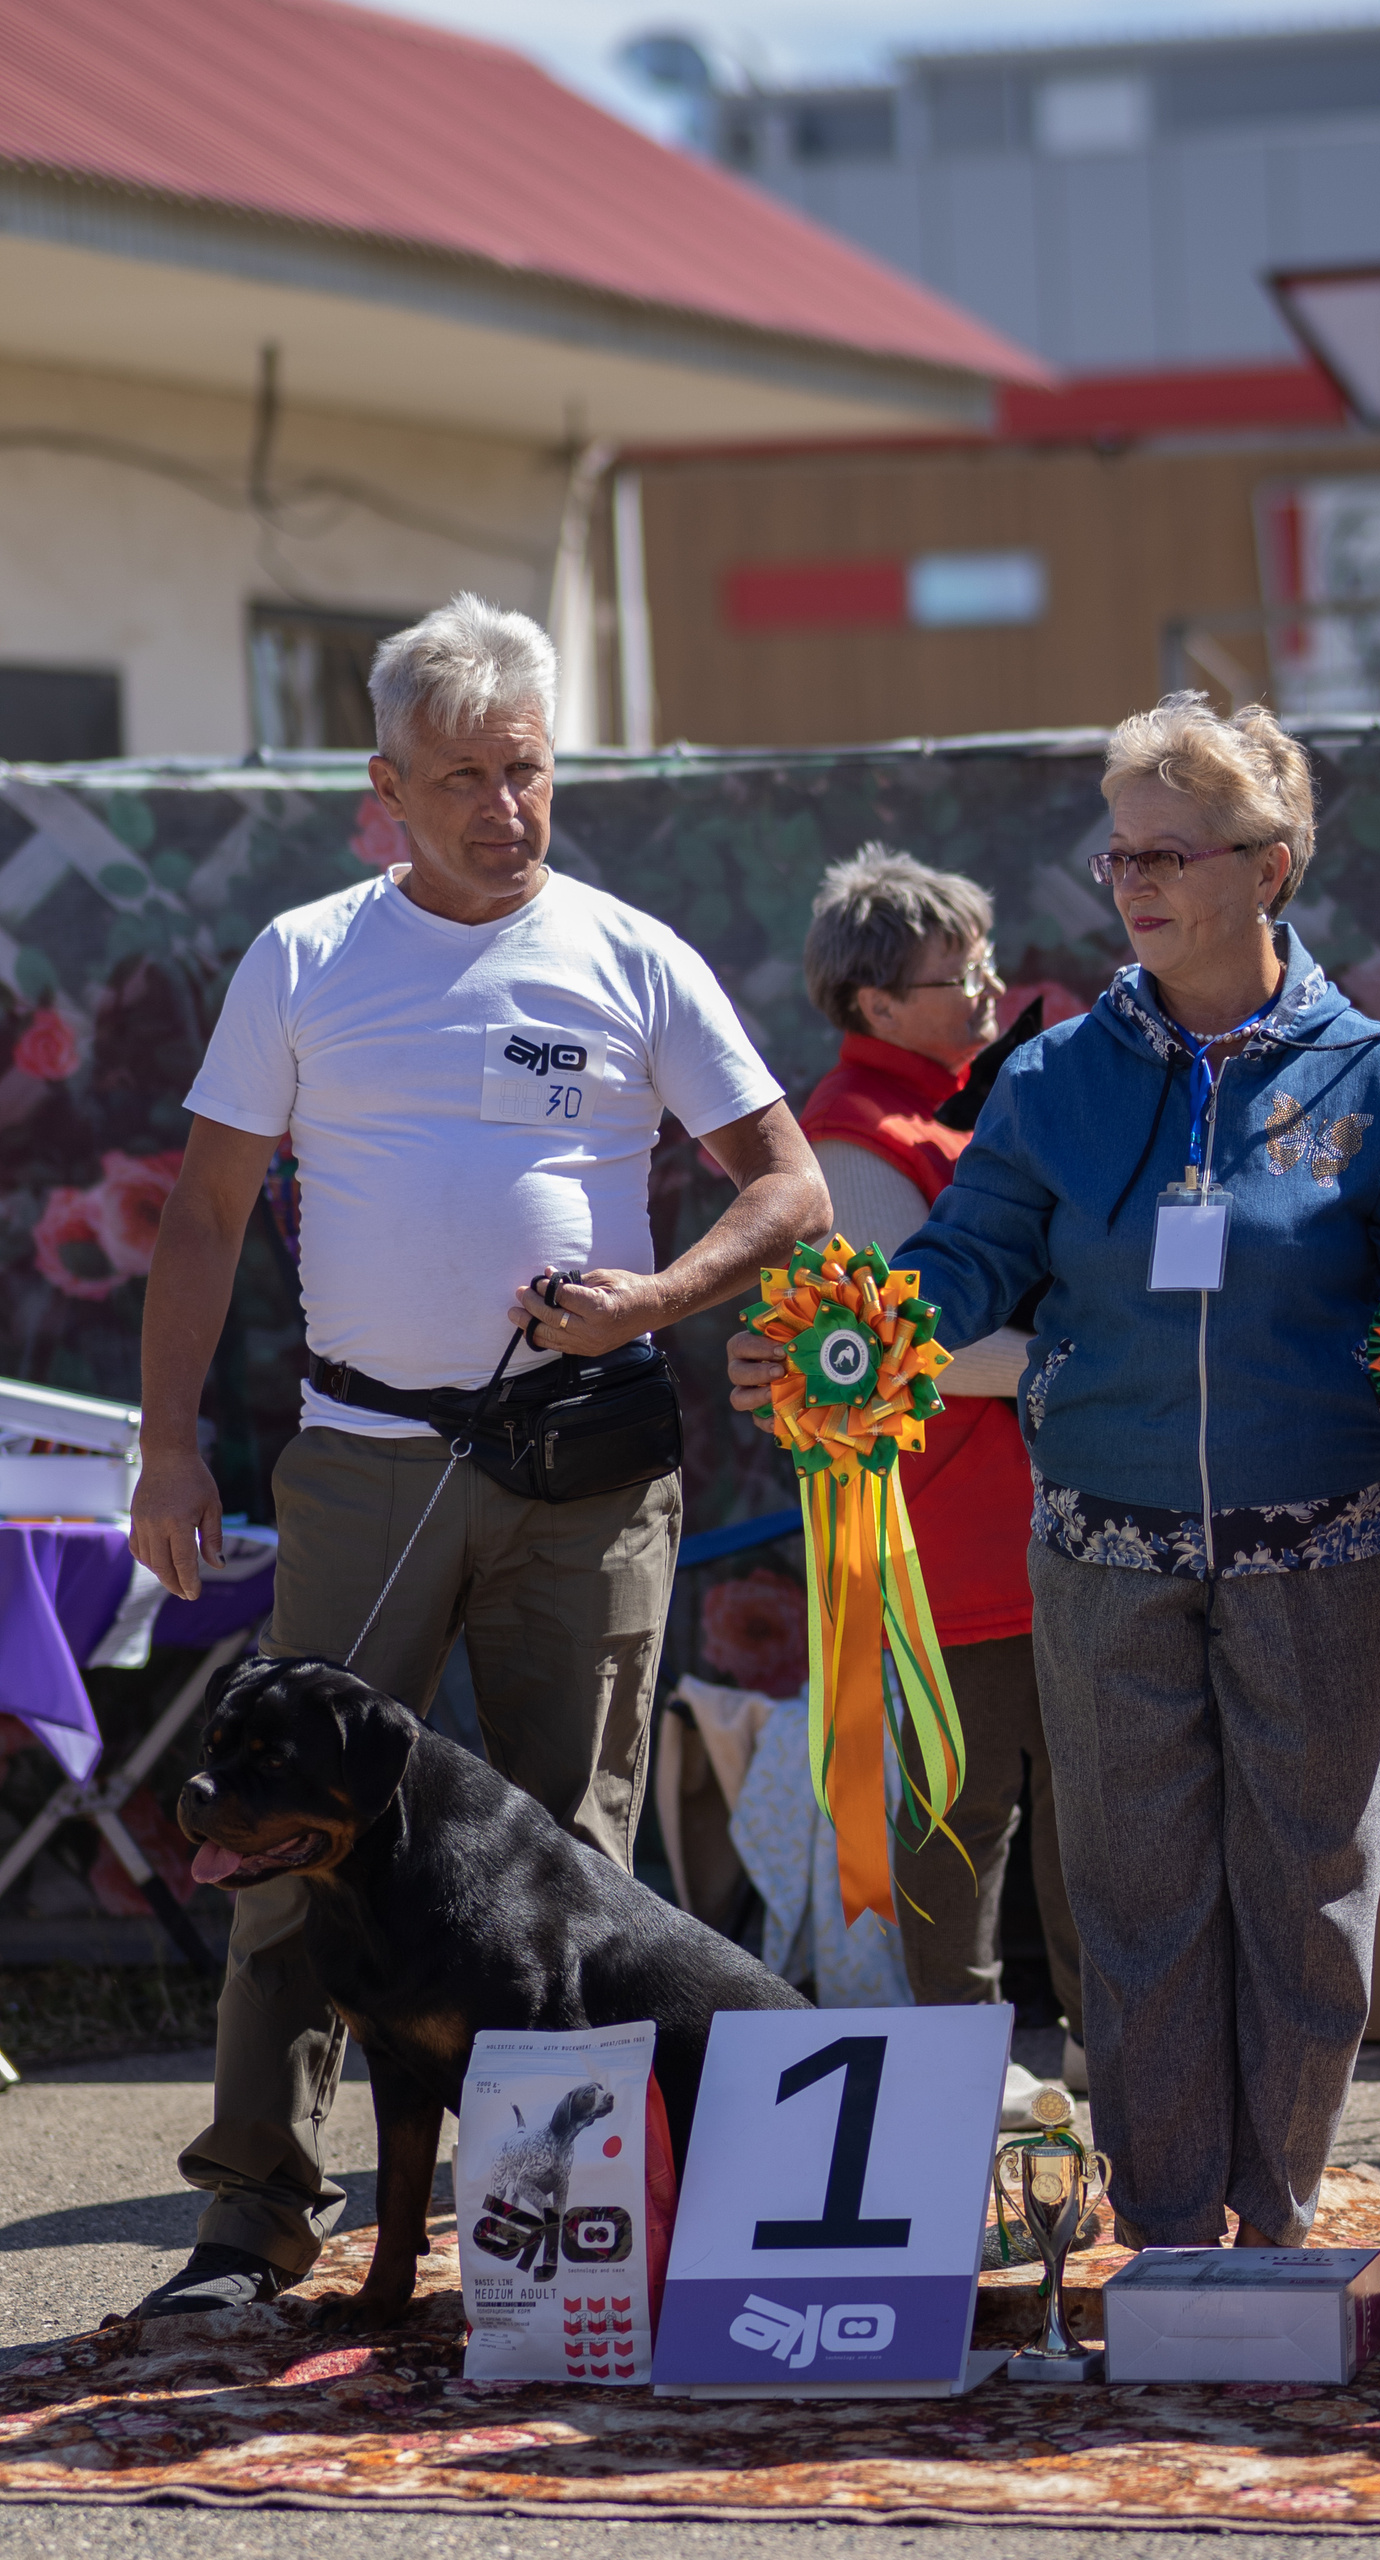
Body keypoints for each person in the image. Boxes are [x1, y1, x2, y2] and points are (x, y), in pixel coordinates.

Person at [734, 693, 1380, 2251]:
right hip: (1099, 1556)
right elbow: (967, 1266)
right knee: (1137, 1907)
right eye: (1119, 854)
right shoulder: (1049, 1084)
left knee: (1307, 1899)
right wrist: (856, 1334)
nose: (1136, 883)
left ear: (1271, 864)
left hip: (1328, 1554)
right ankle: (1172, 2230)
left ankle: (1283, 2209)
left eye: (1170, 851)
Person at [124, 593, 830, 2319]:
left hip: (585, 1473)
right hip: (362, 1459)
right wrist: (166, 1448)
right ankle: (251, 2225)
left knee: (570, 1871)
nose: (503, 810)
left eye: (527, 772)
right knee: (287, 1843)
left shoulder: (630, 950)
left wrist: (652, 1296)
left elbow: (789, 1184)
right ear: (384, 785)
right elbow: (209, 1214)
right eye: (462, 778)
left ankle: (549, 2241)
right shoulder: (303, 956)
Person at [792, 846, 1087, 2088]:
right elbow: (920, 1347)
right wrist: (1086, 1369)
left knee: (1082, 1821)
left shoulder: (975, 1103)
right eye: (956, 972)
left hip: (1039, 1519)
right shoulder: (852, 1138)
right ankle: (952, 2080)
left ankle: (1105, 2068)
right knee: (963, 1822)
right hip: (945, 1540)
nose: (989, 989)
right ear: (873, 1003)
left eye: (986, 962)